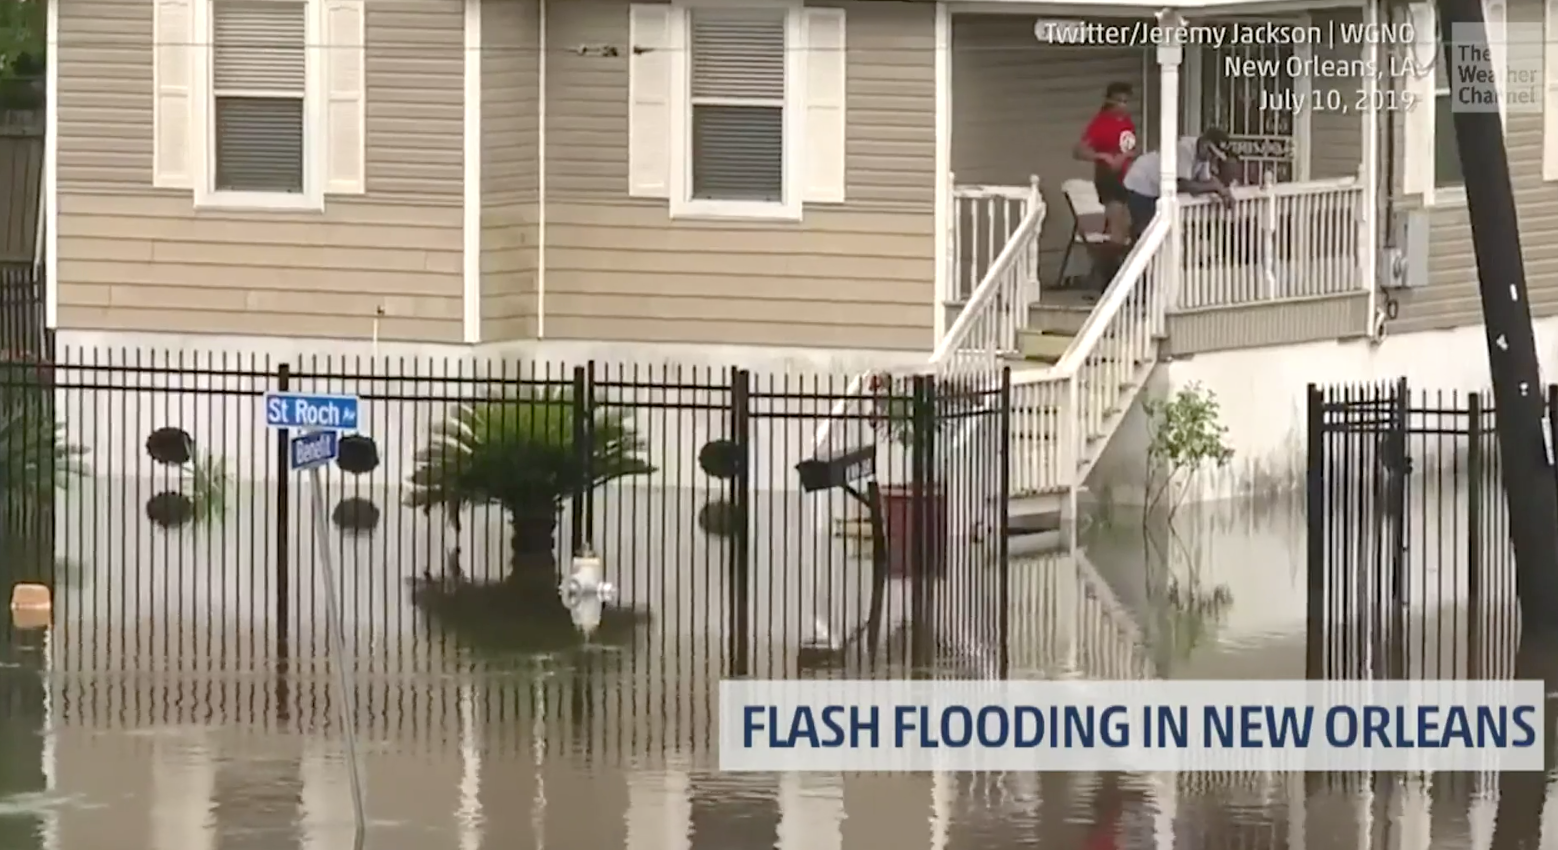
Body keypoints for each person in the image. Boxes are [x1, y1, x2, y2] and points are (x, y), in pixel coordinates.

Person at [1121, 127, 1236, 242]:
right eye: (1210, 151)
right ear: (1204, 142)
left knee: (1154, 232)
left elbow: (1205, 181)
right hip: (1141, 184)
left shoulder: (1202, 156)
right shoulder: (1184, 148)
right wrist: (1215, 187)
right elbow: (1182, 184)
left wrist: (1221, 189)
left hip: (1155, 189)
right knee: (1146, 232)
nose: (1211, 157)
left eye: (1215, 155)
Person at [1074, 82, 1138, 263]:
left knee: (1128, 226)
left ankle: (1123, 267)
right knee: (1117, 226)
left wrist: (1127, 155)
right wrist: (1103, 156)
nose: (1123, 105)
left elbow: (1131, 148)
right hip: (1109, 179)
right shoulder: (1100, 123)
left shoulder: (1127, 122)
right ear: (1110, 101)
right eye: (1119, 101)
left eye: (1126, 101)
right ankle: (1110, 273)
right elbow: (1079, 151)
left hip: (1129, 179)